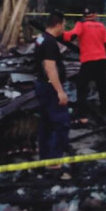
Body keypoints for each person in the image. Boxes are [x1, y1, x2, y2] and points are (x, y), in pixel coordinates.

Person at [34, 10, 71, 162]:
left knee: (46, 123)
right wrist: (60, 92)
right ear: (57, 24)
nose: (64, 28)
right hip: (50, 88)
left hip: (42, 86)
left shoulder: (41, 38)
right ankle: (54, 160)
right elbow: (50, 68)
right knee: (60, 123)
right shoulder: (49, 42)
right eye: (63, 25)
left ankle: (45, 156)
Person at [63, 6, 106, 124]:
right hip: (101, 60)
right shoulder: (101, 26)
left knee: (82, 88)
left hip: (88, 60)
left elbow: (72, 36)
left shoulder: (81, 24)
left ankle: (82, 114)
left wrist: (61, 34)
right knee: (102, 86)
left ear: (84, 16)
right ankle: (105, 109)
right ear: (95, 15)